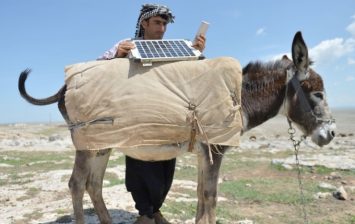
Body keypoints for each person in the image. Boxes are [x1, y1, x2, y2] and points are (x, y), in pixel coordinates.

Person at [98, 4, 206, 224]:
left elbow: (194, 74)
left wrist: (197, 53)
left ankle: (155, 210)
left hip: (168, 119)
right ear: (144, 23)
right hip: (137, 120)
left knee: (166, 169)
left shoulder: (175, 49)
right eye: (157, 22)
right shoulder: (126, 46)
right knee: (141, 167)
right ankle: (145, 213)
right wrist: (118, 56)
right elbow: (97, 68)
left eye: (165, 23)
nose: (162, 28)